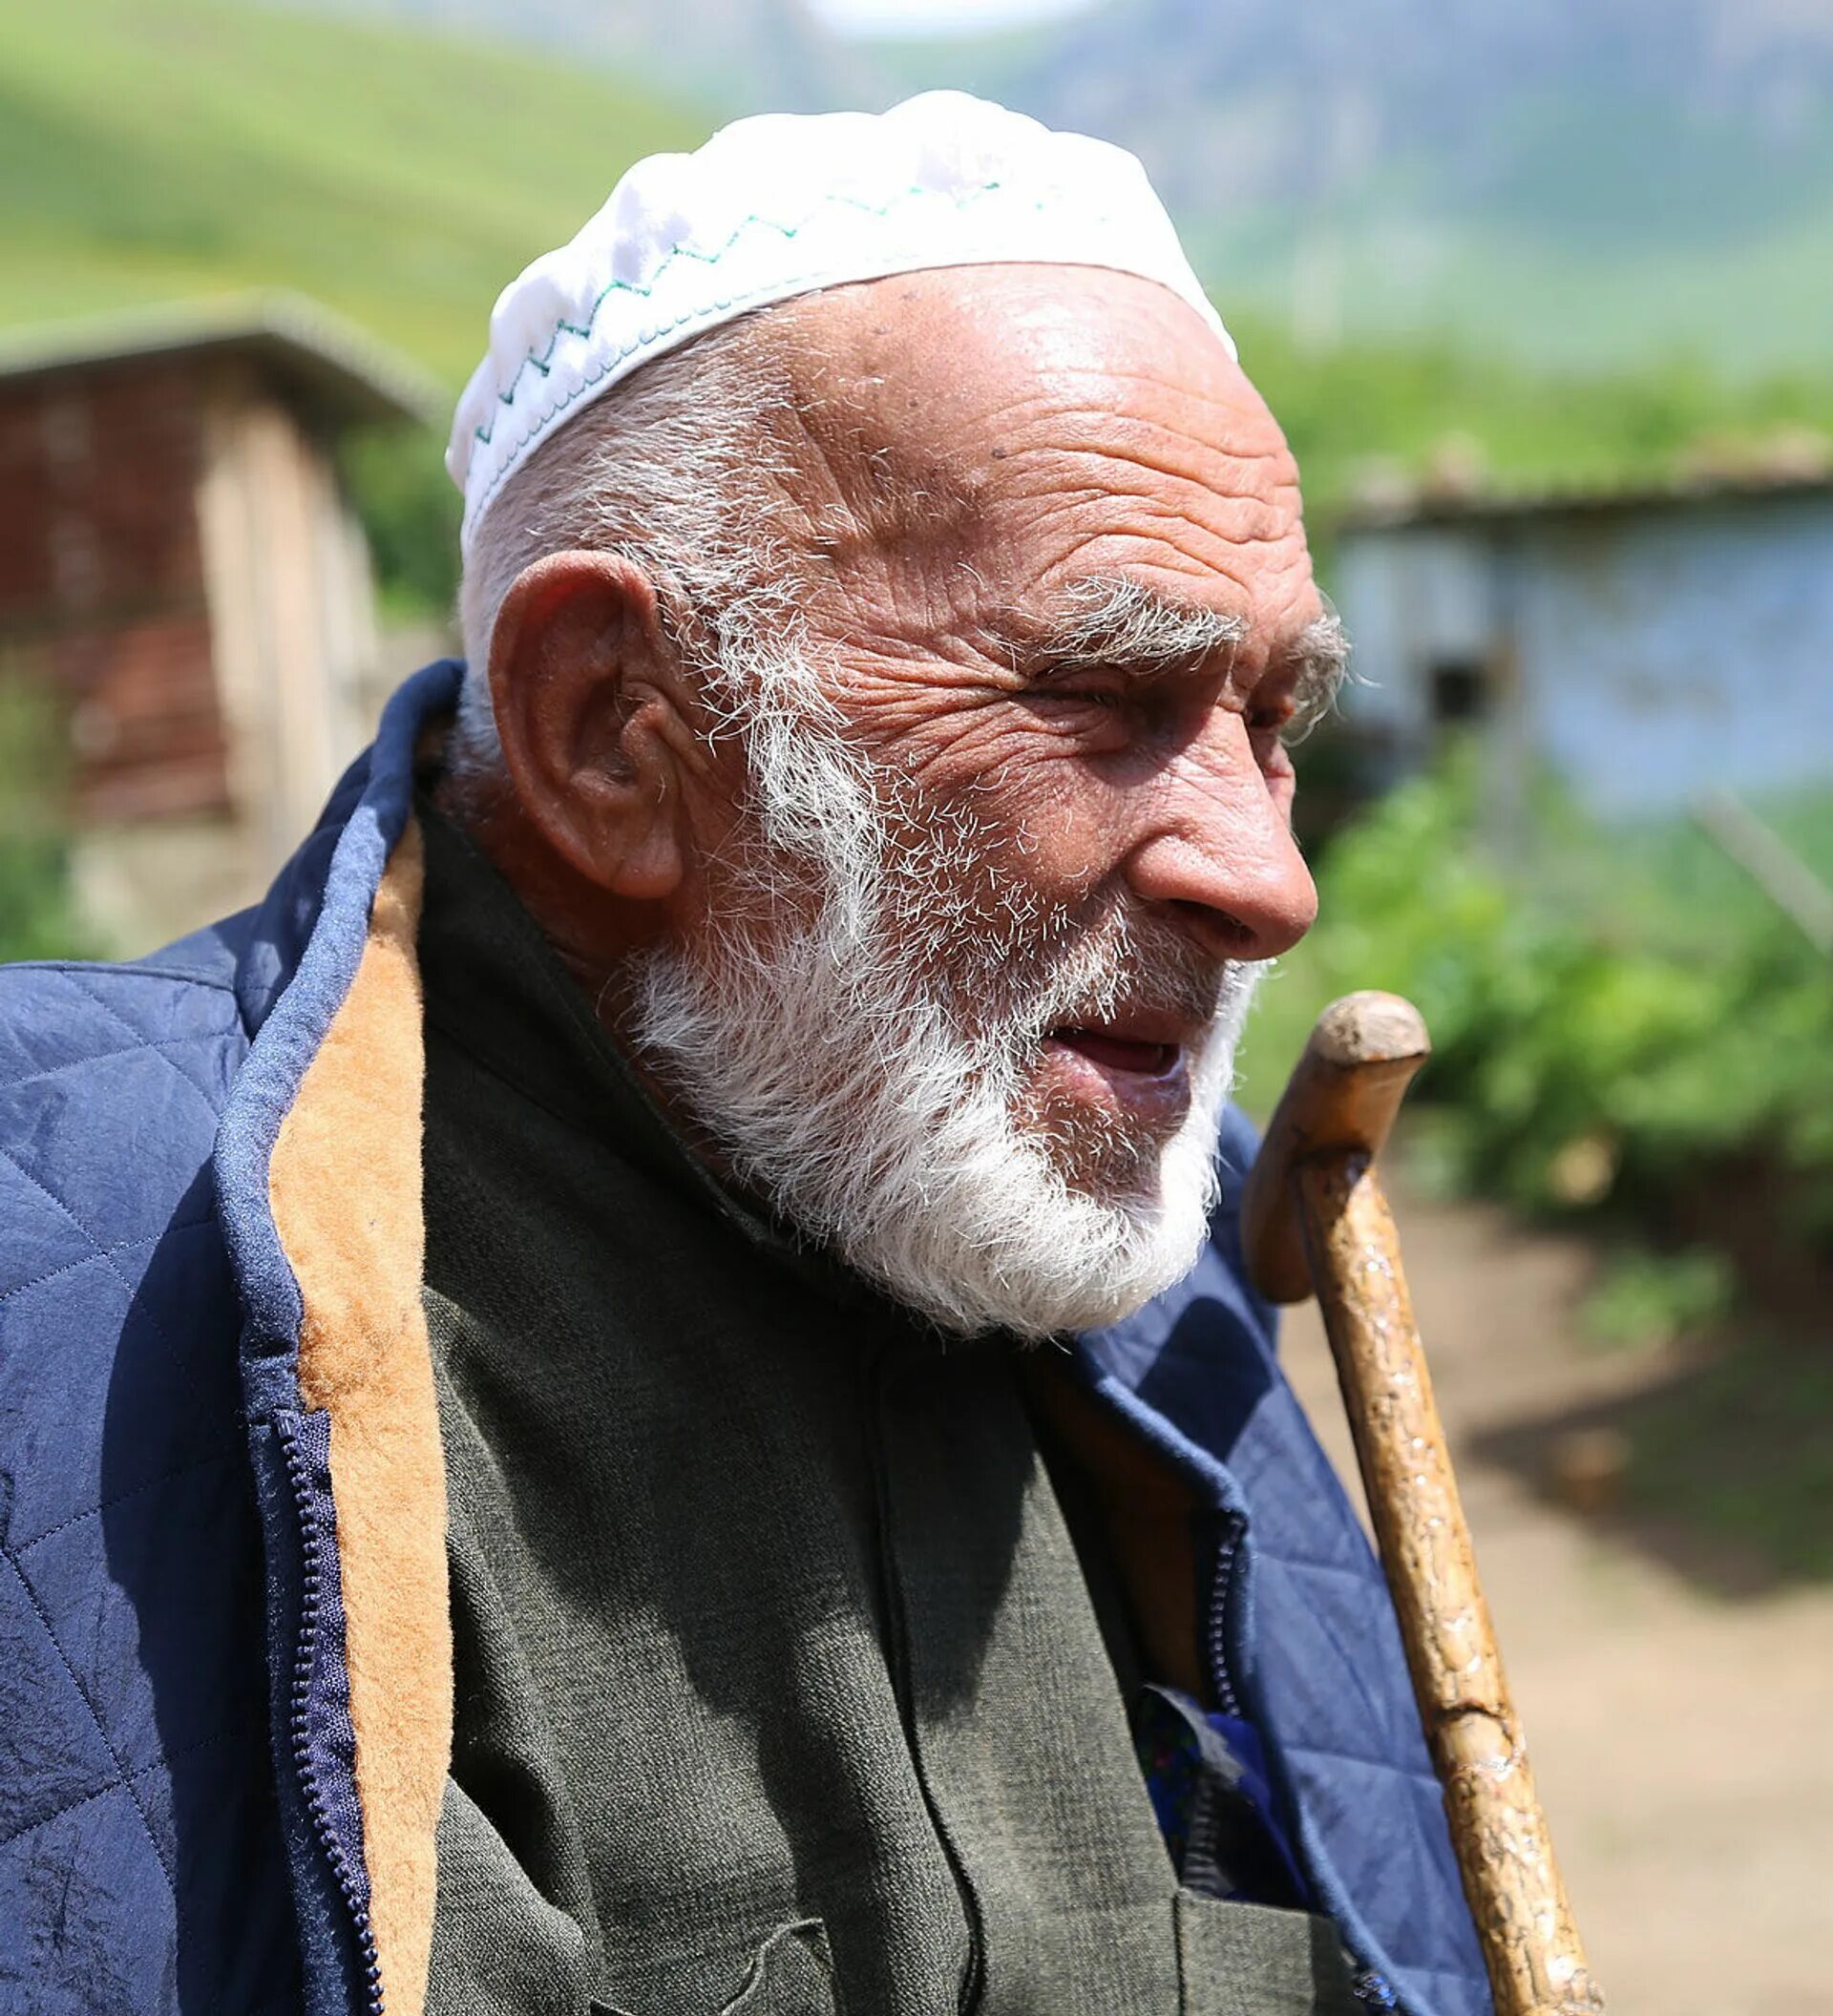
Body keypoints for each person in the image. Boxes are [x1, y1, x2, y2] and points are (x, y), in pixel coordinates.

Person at [0, 94, 1490, 2016]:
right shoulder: (79, 1293)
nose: (1268, 881)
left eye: (1270, 719)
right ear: (617, 731)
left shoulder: (1150, 1356)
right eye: (1105, 699)